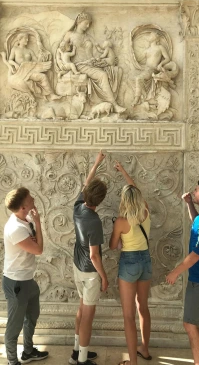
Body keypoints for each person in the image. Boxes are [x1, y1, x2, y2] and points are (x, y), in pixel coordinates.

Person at [166, 180, 199, 365]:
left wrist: (175, 272)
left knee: (190, 324)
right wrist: (189, 203)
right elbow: (198, 226)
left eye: (197, 190)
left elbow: (196, 253)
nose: (194, 192)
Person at [109, 161, 152, 365]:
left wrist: (115, 232)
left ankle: (132, 361)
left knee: (128, 315)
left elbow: (113, 245)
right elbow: (137, 190)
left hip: (129, 262)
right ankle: (145, 348)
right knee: (143, 307)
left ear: (124, 200)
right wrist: (124, 172)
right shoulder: (145, 211)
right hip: (146, 259)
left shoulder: (121, 221)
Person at [69, 151, 109, 365]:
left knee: (81, 310)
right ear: (100, 201)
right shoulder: (94, 221)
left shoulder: (77, 208)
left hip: (77, 267)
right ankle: (82, 360)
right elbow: (94, 255)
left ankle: (76, 352)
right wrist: (104, 277)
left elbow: (86, 184)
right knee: (87, 316)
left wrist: (96, 163)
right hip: (90, 273)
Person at [2, 187, 48, 365]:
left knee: (32, 316)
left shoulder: (25, 219)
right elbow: (39, 249)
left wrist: (35, 226)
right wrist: (37, 223)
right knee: (14, 326)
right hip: (16, 283)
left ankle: (28, 351)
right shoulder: (15, 228)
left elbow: (36, 242)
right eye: (30, 199)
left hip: (27, 280)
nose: (33, 199)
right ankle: (12, 361)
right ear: (23, 207)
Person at [59, 12, 124, 113]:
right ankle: (114, 105)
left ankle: (107, 102)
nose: (88, 26)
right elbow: (60, 50)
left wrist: (101, 59)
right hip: (79, 65)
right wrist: (63, 62)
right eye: (86, 23)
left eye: (89, 24)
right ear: (79, 22)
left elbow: (97, 52)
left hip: (90, 63)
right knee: (102, 75)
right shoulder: (69, 35)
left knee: (115, 70)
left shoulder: (88, 37)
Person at [3, 32, 60, 101]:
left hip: (29, 71)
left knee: (43, 76)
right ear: (20, 40)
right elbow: (10, 60)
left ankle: (51, 95)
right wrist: (15, 64)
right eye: (25, 39)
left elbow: (36, 61)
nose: (27, 40)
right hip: (20, 72)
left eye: (28, 39)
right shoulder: (15, 49)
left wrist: (42, 57)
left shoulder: (29, 51)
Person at [132, 31, 170, 106]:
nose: (149, 36)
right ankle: (145, 98)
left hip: (153, 69)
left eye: (151, 35)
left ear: (156, 38)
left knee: (138, 78)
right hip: (146, 69)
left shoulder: (160, 47)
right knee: (133, 77)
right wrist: (131, 52)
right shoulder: (147, 50)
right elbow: (139, 60)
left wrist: (161, 64)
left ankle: (136, 99)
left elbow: (167, 58)